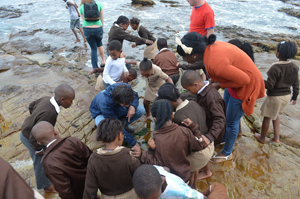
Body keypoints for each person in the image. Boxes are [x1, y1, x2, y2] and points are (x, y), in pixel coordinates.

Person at [176, 32, 265, 163]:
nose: (184, 60)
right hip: (234, 82)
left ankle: (227, 153)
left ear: (194, 54)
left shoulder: (215, 62)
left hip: (245, 86)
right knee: (225, 111)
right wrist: (215, 82)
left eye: (184, 57)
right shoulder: (210, 48)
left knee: (231, 122)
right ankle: (225, 138)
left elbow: (245, 80)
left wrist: (219, 84)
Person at [131, 99, 206, 183]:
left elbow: (157, 164)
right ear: (172, 115)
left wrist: (145, 153)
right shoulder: (185, 131)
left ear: (155, 119)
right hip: (185, 175)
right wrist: (193, 127)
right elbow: (199, 145)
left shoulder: (157, 139)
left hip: (171, 180)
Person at [20, 83, 75, 192]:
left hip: (28, 129)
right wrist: (38, 149)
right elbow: (33, 136)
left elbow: (32, 105)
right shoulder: (50, 113)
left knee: (48, 153)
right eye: (71, 100)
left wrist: (34, 117)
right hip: (29, 137)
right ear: (62, 99)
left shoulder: (47, 99)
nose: (72, 103)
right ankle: (46, 186)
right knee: (40, 160)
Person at [157, 82, 215, 184]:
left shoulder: (179, 117)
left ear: (168, 101)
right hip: (210, 144)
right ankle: (207, 171)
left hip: (199, 153)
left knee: (189, 170)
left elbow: (186, 144)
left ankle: (193, 186)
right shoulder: (193, 102)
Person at [31, 121, 92, 199]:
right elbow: (92, 159)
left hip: (79, 194)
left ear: (39, 142)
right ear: (55, 132)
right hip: (93, 182)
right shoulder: (72, 141)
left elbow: (64, 191)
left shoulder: (48, 163)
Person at [83, 118, 140, 199]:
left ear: (101, 140)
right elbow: (140, 176)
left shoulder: (93, 159)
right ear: (120, 136)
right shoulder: (129, 155)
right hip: (132, 195)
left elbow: (90, 189)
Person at [254, 41, 299, 144]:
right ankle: (276, 137)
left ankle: (262, 137)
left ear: (278, 54)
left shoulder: (275, 68)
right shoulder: (295, 67)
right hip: (286, 96)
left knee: (267, 117)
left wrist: (258, 80)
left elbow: (269, 85)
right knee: (276, 114)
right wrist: (295, 96)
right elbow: (296, 84)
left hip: (275, 97)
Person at [89, 83, 145, 148]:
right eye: (126, 104)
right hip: (100, 113)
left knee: (140, 110)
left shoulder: (125, 87)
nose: (128, 105)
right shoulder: (105, 105)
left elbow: (135, 95)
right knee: (108, 128)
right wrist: (134, 143)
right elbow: (116, 125)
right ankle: (120, 129)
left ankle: (124, 124)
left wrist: (132, 106)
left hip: (115, 107)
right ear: (117, 101)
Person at [133, 164, 229, 199]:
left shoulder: (180, 191)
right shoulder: (153, 169)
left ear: (162, 181)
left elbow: (199, 197)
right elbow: (166, 169)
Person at [228, 39, 255, 136]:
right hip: (231, 92)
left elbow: (238, 83)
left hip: (238, 96)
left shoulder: (243, 68)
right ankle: (239, 131)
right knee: (233, 117)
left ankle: (228, 150)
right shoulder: (240, 61)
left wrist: (220, 84)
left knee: (231, 122)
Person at [79, 0, 105, 68]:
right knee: (99, 44)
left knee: (93, 49)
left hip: (87, 29)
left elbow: (83, 19)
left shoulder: (82, 6)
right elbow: (102, 17)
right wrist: (102, 26)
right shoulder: (98, 4)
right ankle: (103, 61)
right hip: (98, 28)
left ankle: (95, 68)